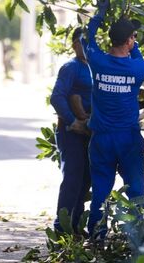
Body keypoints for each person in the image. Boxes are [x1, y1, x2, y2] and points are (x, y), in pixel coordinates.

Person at [85, 0, 144, 236]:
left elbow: (88, 38)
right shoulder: (138, 69)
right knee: (136, 191)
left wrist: (99, 15)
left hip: (101, 140)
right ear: (129, 40)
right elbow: (138, 57)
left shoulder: (97, 61)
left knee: (101, 191)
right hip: (128, 140)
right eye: (133, 37)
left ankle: (96, 236)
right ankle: (139, 238)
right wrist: (134, 43)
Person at [49, 27, 93, 233]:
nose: (88, 46)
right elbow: (56, 97)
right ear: (75, 45)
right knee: (73, 178)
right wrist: (72, 120)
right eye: (84, 42)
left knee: (86, 179)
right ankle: (61, 228)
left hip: (89, 133)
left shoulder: (95, 67)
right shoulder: (71, 68)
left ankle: (75, 226)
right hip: (70, 133)